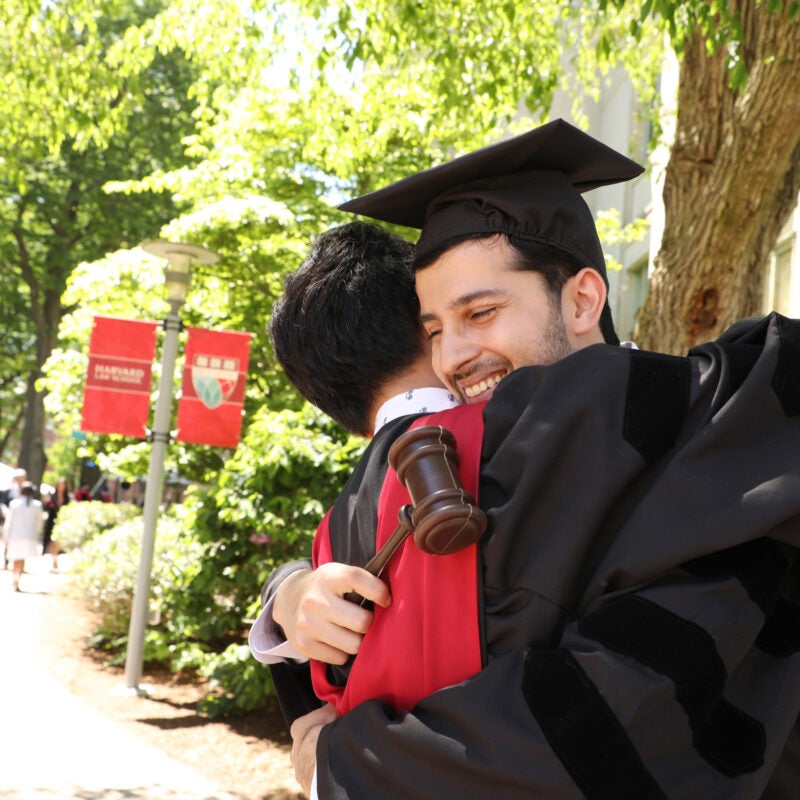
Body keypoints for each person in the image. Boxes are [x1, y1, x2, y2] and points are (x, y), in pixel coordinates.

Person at [271, 121, 800, 799]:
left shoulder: (716, 443)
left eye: (481, 313)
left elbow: (620, 723)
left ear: (582, 299)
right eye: (434, 330)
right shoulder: (438, 460)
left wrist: (344, 766)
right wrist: (288, 595)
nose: (453, 356)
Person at [3, 482, 44, 591]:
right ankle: (17, 579)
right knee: (21, 559)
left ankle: (15, 579)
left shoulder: (15, 504)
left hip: (16, 535)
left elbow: (9, 522)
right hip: (28, 536)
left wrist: (6, 536)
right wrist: (36, 533)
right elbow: (39, 523)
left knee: (17, 558)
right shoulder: (36, 505)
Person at [42, 477, 71, 572]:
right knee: (51, 542)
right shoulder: (52, 497)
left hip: (61, 522)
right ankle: (54, 561)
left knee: (58, 542)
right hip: (51, 522)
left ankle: (56, 559)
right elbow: (46, 508)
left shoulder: (67, 498)